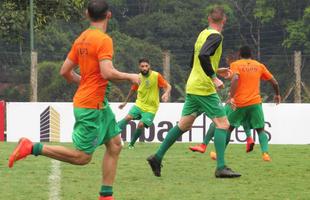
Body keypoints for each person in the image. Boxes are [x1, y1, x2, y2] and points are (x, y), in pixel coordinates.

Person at [8, 1, 139, 200]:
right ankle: (31, 147)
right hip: (91, 107)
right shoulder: (103, 40)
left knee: (114, 145)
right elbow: (107, 72)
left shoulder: (81, 39)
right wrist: (130, 76)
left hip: (98, 104)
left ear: (87, 14)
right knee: (82, 157)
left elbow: (65, 71)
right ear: (109, 15)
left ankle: (106, 196)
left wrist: (84, 81)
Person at [146, 6, 241, 178]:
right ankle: (220, 167)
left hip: (193, 84)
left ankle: (157, 157)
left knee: (183, 125)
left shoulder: (202, 34)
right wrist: (213, 77)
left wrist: (216, 70)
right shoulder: (216, 36)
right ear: (224, 20)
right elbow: (204, 56)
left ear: (208, 19)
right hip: (204, 88)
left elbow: (195, 61)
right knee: (223, 125)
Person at [189, 53, 255, 156]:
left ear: (232, 60)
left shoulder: (235, 66)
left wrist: (231, 96)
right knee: (235, 123)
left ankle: (204, 145)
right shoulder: (251, 68)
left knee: (218, 122)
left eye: (227, 60)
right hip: (250, 101)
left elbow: (233, 78)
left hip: (236, 100)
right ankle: (249, 138)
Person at [227, 45, 281, 162]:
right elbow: (274, 82)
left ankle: (217, 153)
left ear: (239, 54)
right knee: (260, 129)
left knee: (228, 128)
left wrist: (231, 96)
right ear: (251, 54)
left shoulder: (235, 65)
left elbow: (235, 79)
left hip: (239, 103)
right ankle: (265, 154)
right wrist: (277, 94)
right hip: (255, 103)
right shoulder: (259, 66)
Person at [118, 58, 171, 149]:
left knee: (141, 124)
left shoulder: (156, 76)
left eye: (146, 66)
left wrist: (166, 93)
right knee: (128, 117)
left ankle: (131, 144)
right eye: (142, 66)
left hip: (151, 108)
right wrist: (125, 102)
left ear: (149, 66)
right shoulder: (138, 77)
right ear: (139, 67)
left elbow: (168, 86)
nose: (144, 68)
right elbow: (132, 90)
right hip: (139, 104)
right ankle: (111, 134)